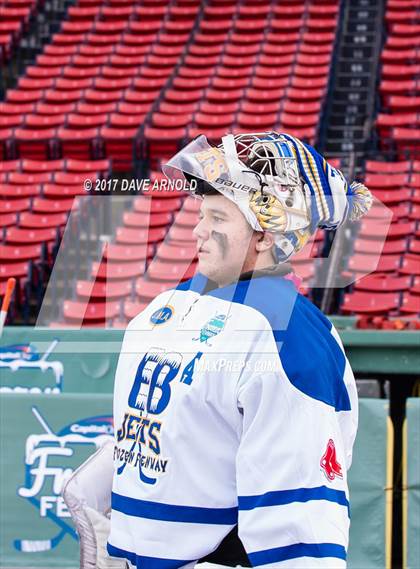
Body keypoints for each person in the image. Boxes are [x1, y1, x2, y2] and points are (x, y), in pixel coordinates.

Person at [63, 132, 372, 569]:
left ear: (264, 235)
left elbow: (299, 531)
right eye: (200, 213)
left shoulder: (290, 337)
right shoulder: (168, 307)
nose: (197, 230)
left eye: (217, 218)